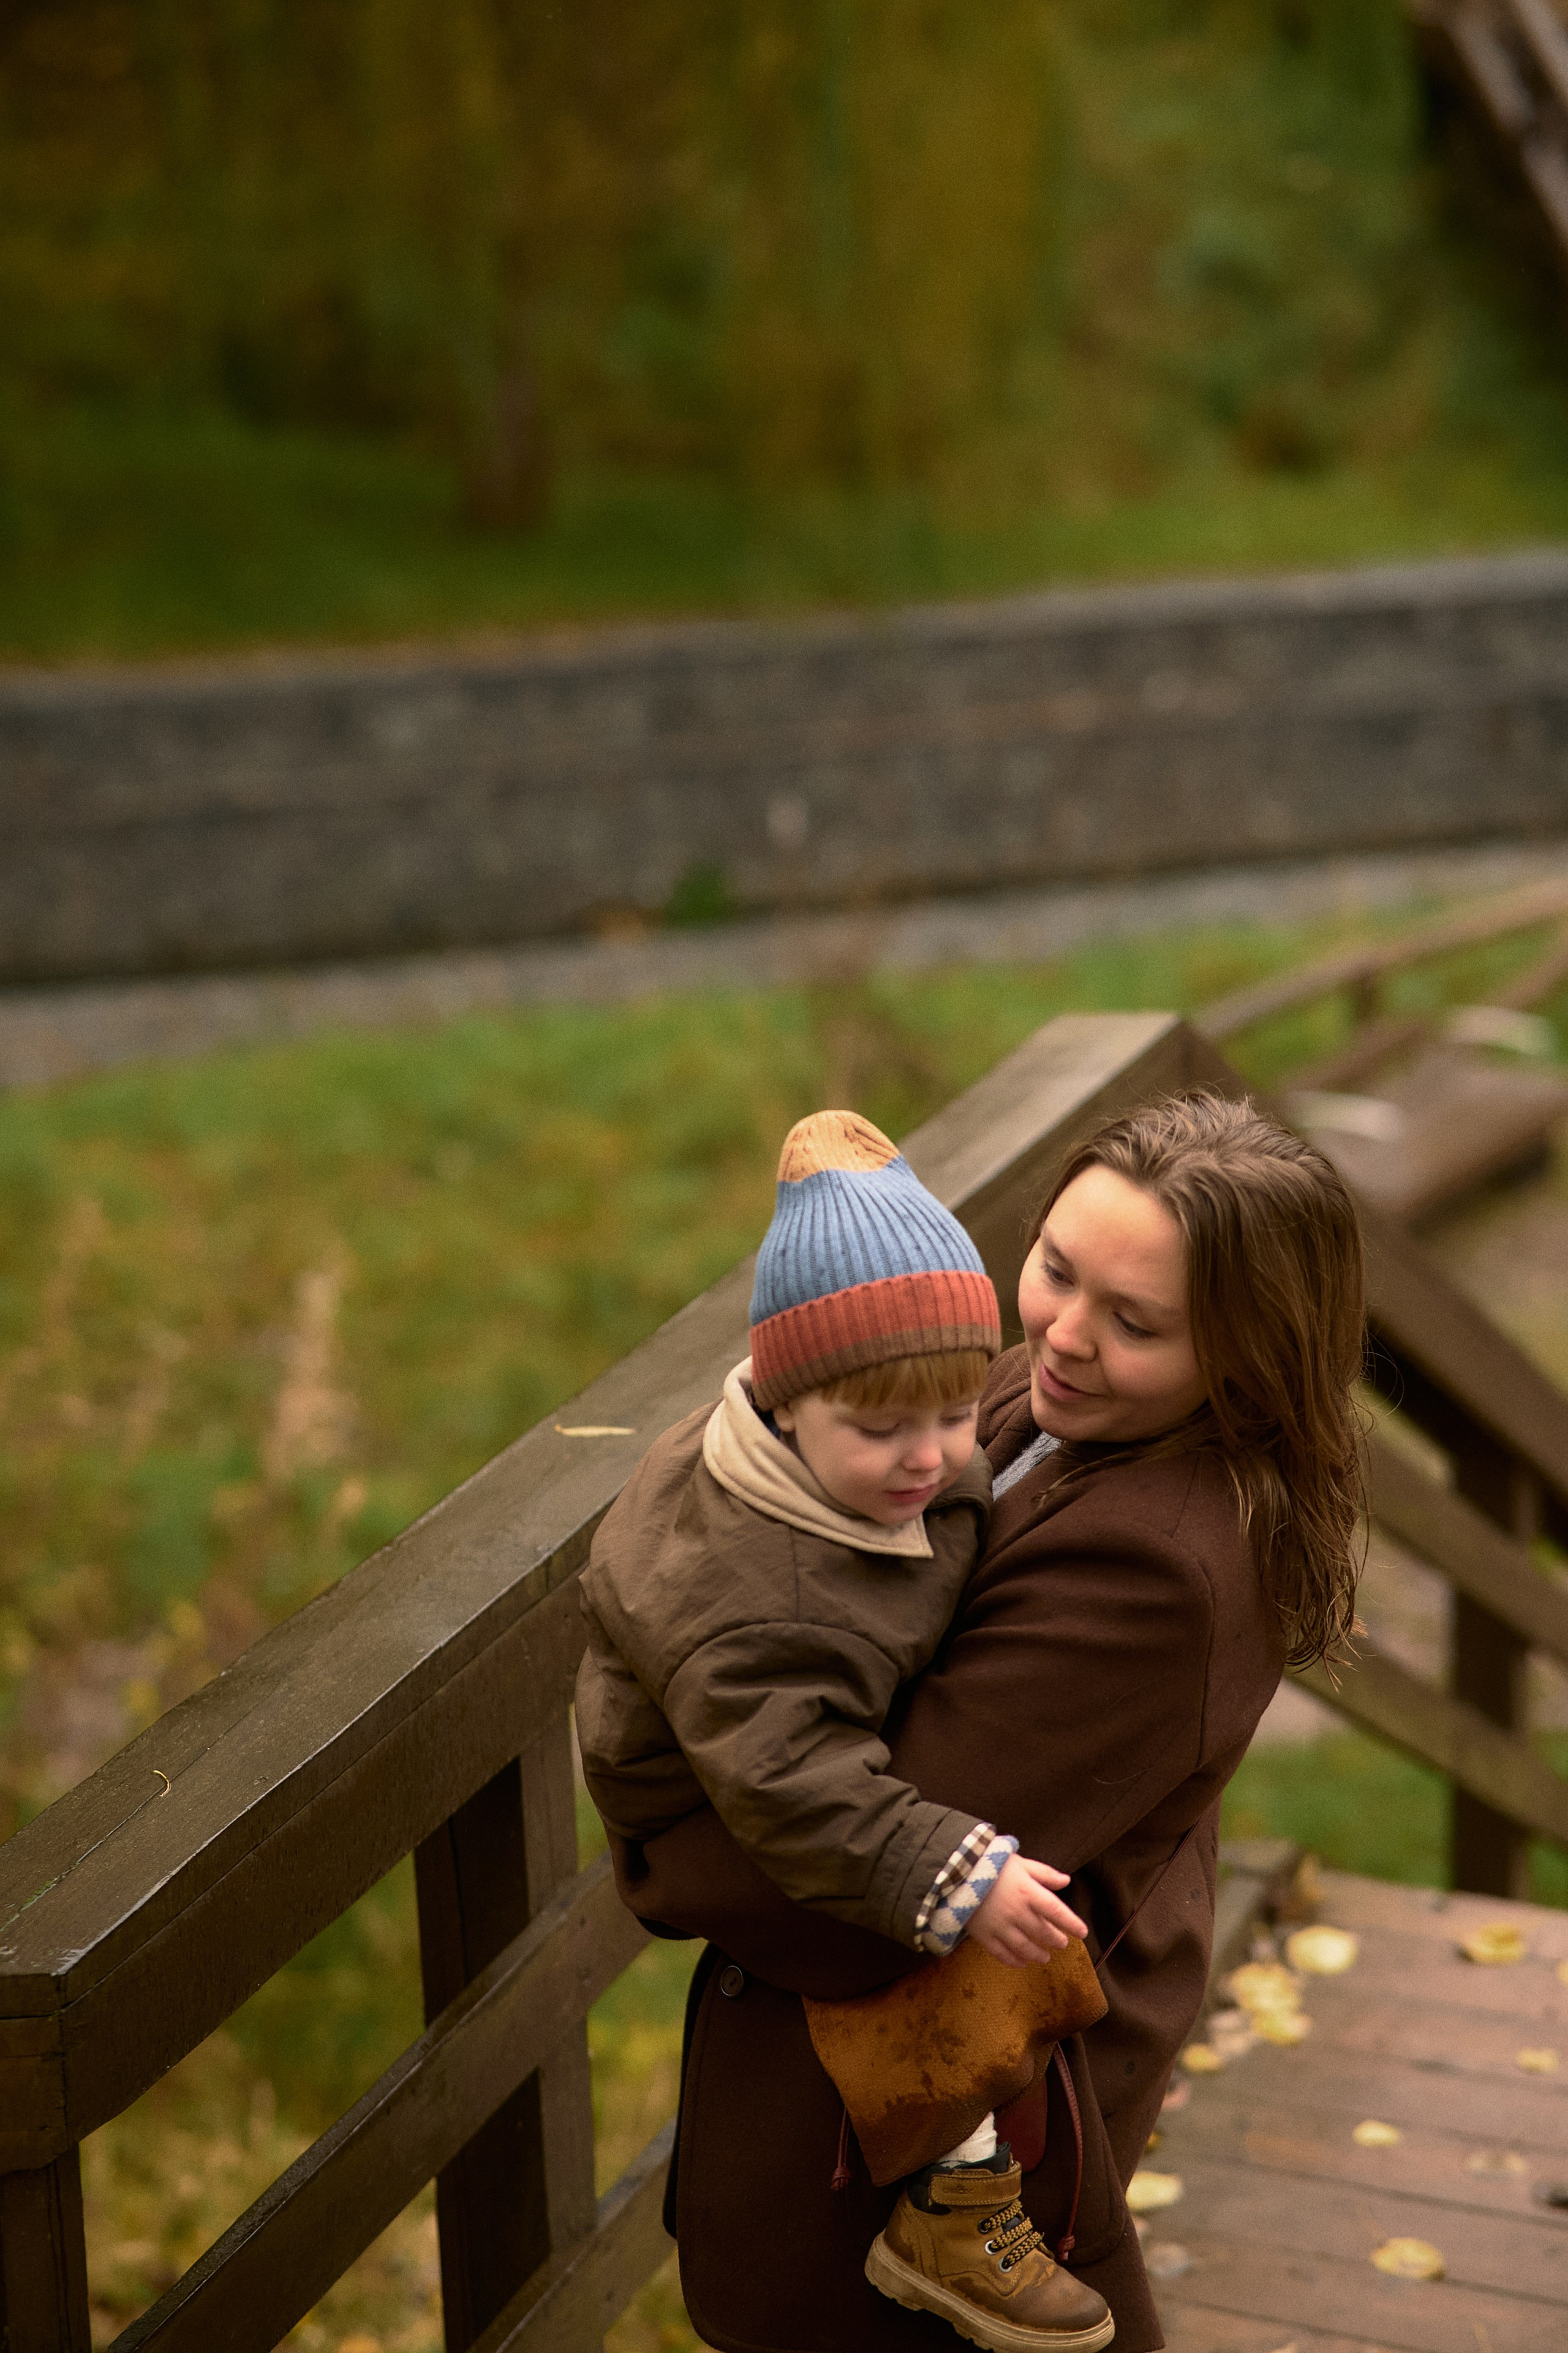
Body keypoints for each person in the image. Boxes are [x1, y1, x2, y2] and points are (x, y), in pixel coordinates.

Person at [608, 1090, 1366, 2353]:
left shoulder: (1156, 1575)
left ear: (1244, 1354)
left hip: (929, 2137)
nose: (1062, 1336)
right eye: (1054, 1269)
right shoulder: (1053, 1404)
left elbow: (855, 1873)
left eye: (1134, 1322)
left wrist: (658, 1837)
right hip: (890, 2077)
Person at [576, 1110, 1114, 2349]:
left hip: (803, 1715)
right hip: (711, 1786)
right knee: (921, 1934)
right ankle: (954, 2200)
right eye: (883, 1432)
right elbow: (785, 1778)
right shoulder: (749, 1603)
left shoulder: (888, 1455)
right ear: (781, 1403)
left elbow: (936, 1459)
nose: (931, 1455)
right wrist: (949, 1869)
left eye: (950, 1408)